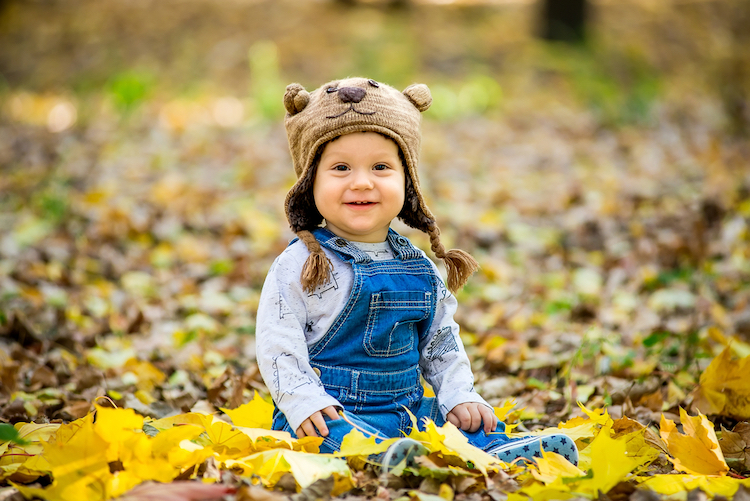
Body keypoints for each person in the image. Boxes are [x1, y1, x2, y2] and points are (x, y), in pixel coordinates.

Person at [255, 77, 578, 468]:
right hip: (329, 412)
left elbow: (441, 341)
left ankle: (494, 447)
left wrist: (459, 395)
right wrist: (303, 401)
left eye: (381, 166)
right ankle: (380, 456)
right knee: (326, 435)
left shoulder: (419, 265)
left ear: (407, 182)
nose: (362, 181)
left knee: (459, 419)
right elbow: (278, 345)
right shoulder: (301, 264)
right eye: (340, 167)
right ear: (310, 182)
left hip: (407, 413)